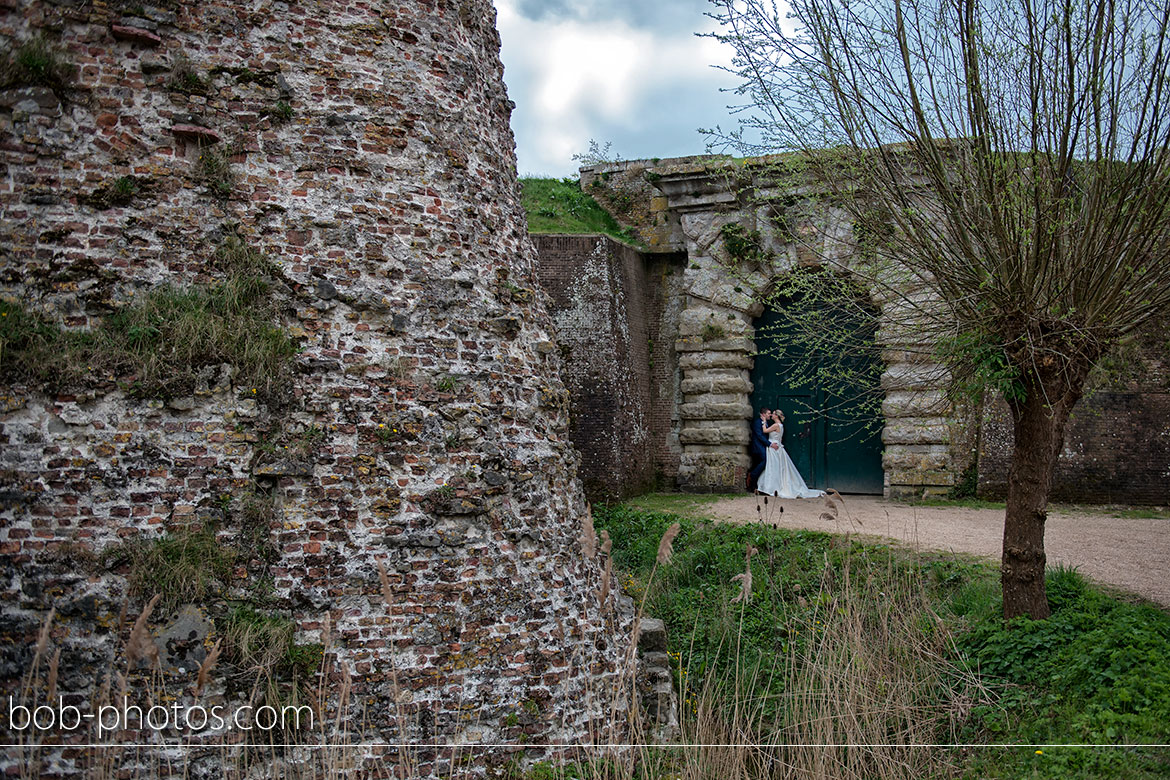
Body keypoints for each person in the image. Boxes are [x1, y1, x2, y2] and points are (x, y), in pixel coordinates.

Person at [757, 410, 825, 499]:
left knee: (773, 466)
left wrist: (764, 421)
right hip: (778, 447)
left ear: (776, 416)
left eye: (773, 414)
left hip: (773, 448)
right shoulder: (781, 426)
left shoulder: (776, 425)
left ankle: (771, 487)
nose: (771, 415)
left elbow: (765, 431)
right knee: (776, 467)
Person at [747, 407, 771, 492]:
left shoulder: (766, 422)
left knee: (764, 462)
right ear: (763, 414)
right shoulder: (757, 422)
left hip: (763, 446)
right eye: (768, 413)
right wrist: (769, 444)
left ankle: (756, 483)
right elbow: (759, 435)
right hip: (758, 446)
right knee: (765, 460)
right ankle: (752, 476)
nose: (770, 415)